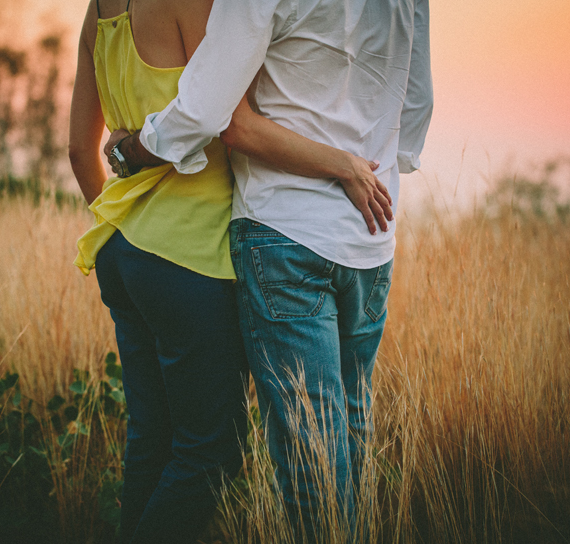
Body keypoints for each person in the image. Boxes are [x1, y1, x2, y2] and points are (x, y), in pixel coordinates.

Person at [67, 0, 396, 542]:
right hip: (189, 258)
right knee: (210, 456)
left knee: (152, 441)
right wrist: (342, 164)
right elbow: (232, 122)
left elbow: (81, 150)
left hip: (121, 249)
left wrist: (122, 223)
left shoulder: (99, 11)